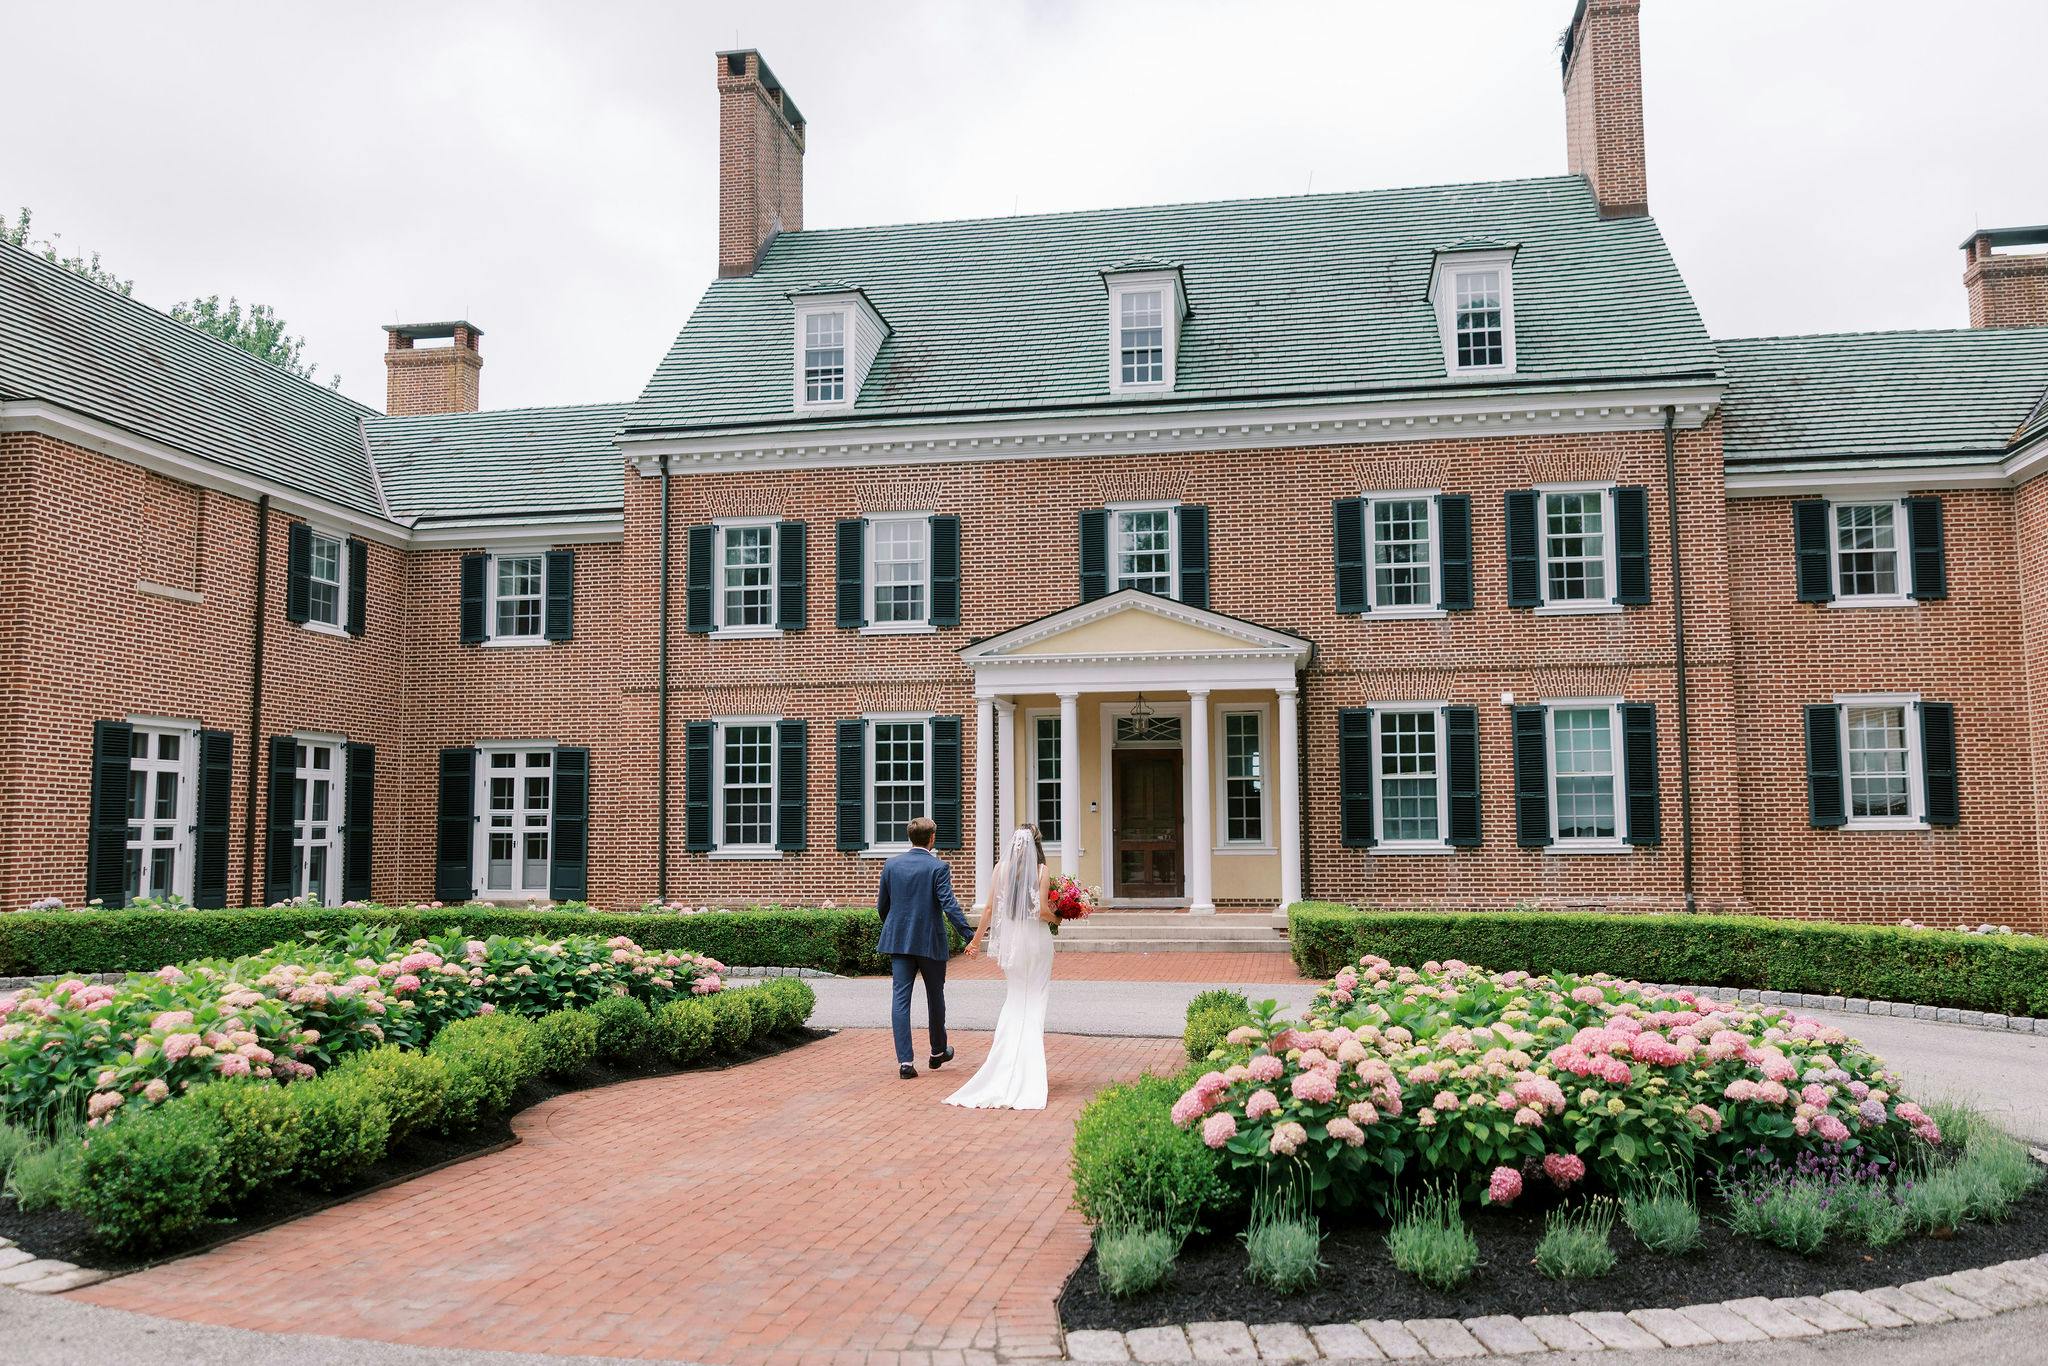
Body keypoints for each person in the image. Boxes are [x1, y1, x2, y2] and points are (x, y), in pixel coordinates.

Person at [946, 824, 1057, 1111]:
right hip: (1036, 941)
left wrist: (975, 941)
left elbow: (988, 909)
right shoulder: (1042, 871)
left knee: (1015, 998)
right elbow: (1043, 910)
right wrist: (1059, 917)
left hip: (1013, 945)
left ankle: (1004, 1065)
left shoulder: (1000, 869)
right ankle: (1028, 1070)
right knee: (1035, 1001)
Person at [876, 815, 979, 1080]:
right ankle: (937, 1051)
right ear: (932, 838)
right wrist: (969, 934)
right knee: (935, 996)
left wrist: (896, 926)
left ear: (910, 838)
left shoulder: (891, 865)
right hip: (929, 941)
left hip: (899, 941)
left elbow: (882, 906)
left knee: (900, 999)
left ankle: (905, 1063)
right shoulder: (938, 867)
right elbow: (949, 904)